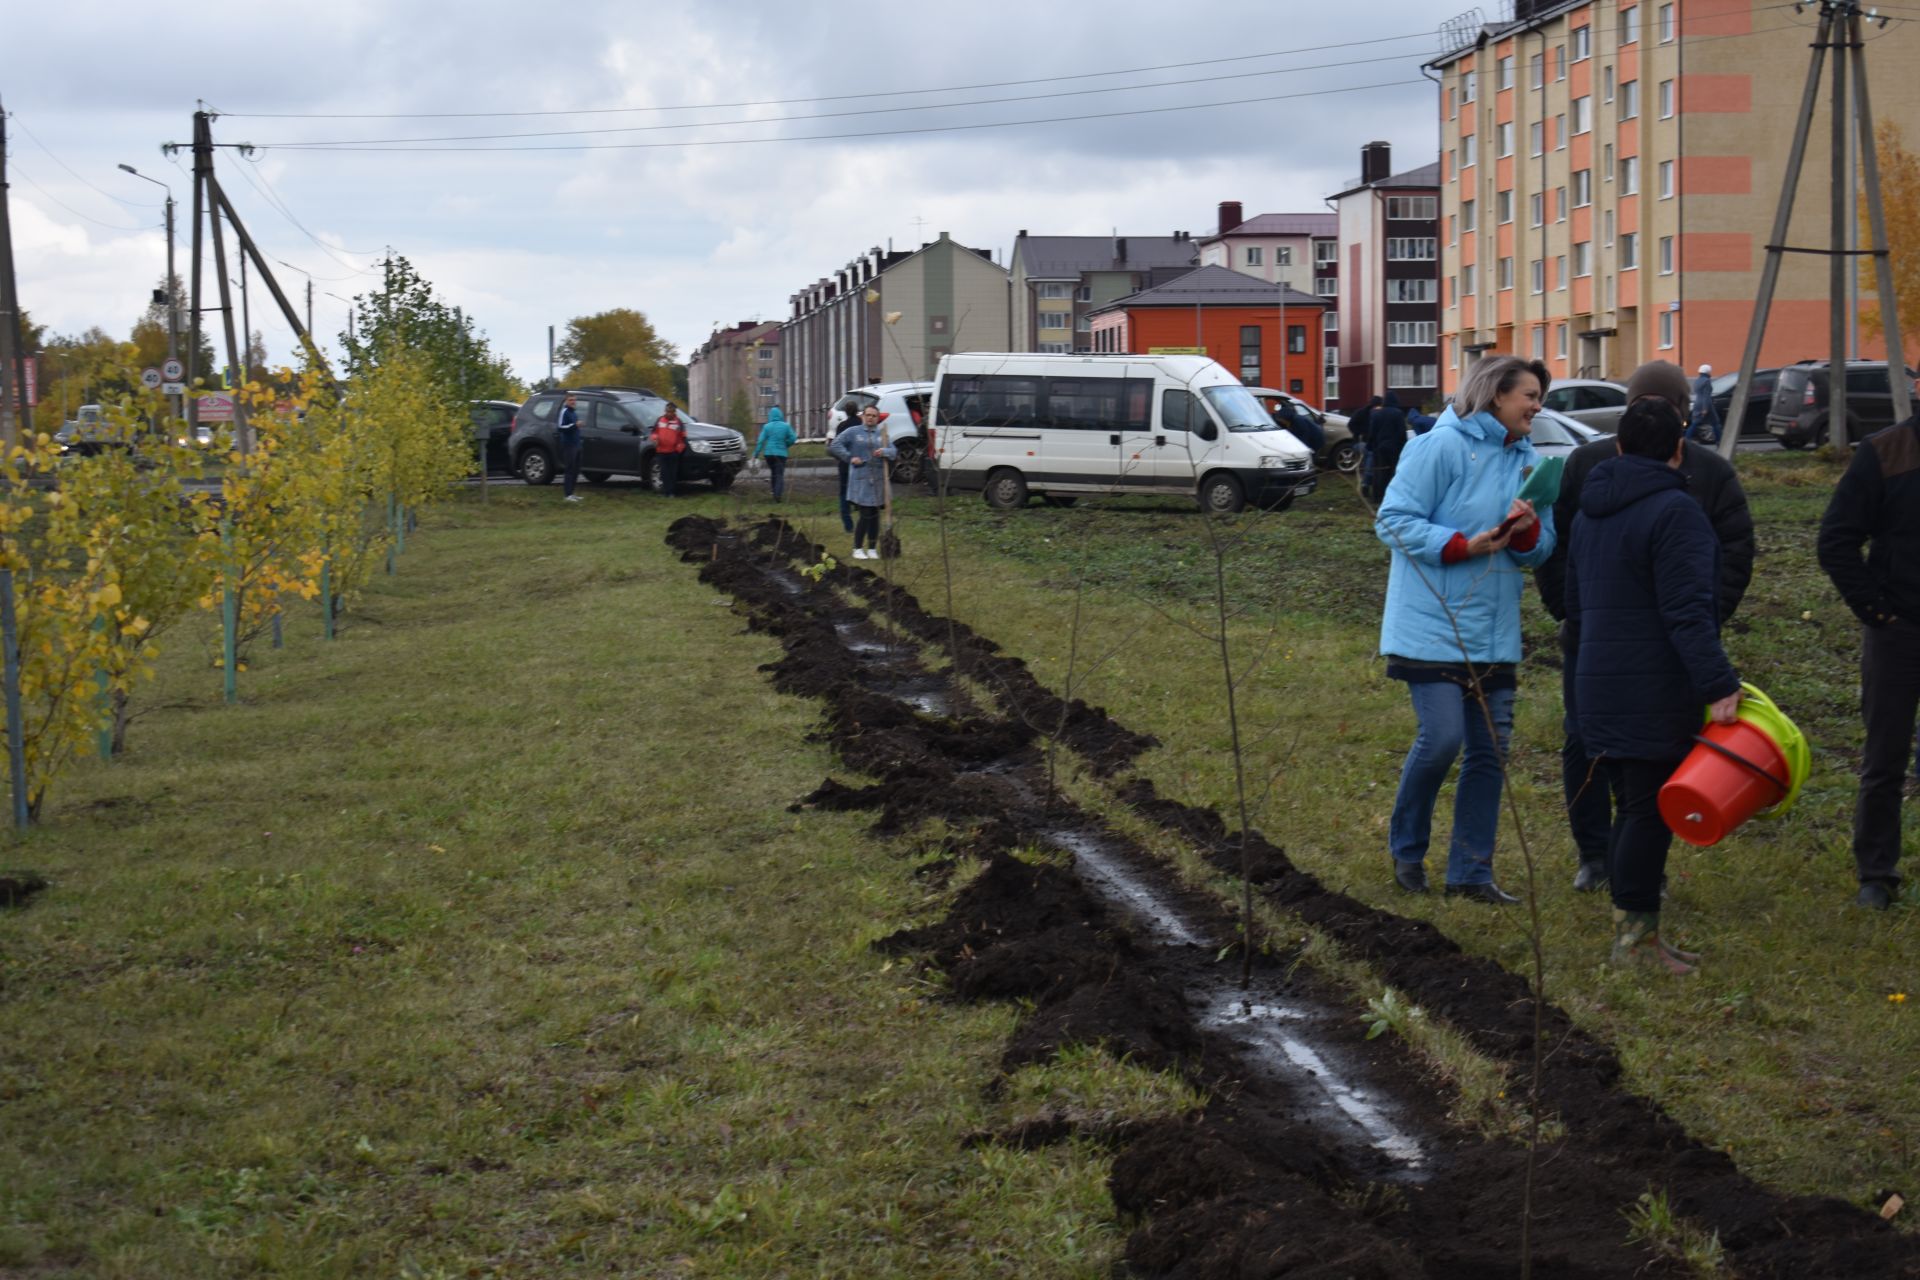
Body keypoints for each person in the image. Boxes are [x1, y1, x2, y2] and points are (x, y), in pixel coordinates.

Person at [1534, 360, 1754, 892]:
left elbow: (1735, 552)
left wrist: (1707, 615)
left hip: (1662, 644)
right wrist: (1573, 612)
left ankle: (1634, 869)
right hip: (1599, 639)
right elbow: (1556, 546)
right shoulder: (1586, 464)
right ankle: (1597, 856)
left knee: (1647, 764)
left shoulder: (1711, 474)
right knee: (1588, 745)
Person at [1566, 396, 1743, 974]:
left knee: (1630, 806)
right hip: (1652, 685)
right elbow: (1689, 612)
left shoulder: (1591, 510)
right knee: (1647, 811)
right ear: (1678, 449)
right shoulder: (1677, 512)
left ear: (1618, 446)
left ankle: (1636, 935)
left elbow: (1574, 603)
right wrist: (1718, 684)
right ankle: (1635, 945)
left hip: (1595, 678)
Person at [1375, 356, 1556, 903]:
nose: (1537, 406)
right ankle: (1408, 849)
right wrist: (1460, 545)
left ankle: (1471, 874)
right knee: (1443, 739)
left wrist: (1525, 534)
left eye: (1538, 396)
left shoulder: (1532, 464)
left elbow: (1543, 549)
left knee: (1490, 753)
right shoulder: (1439, 445)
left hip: (1494, 632)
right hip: (1432, 622)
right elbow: (1394, 520)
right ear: (1496, 394)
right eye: (1529, 394)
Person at [1816, 376, 1920, 910]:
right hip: (1898, 633)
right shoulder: (1885, 453)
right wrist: (1877, 612)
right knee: (1885, 759)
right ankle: (1876, 876)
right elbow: (1835, 540)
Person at [828, 405, 896, 560]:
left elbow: (893, 451)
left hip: (878, 479)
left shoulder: (882, 434)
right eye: (868, 415)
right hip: (861, 478)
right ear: (863, 416)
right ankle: (857, 548)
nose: (871, 418)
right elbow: (835, 445)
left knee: (874, 514)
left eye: (874, 415)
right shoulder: (854, 432)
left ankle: (872, 548)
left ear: (878, 418)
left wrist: (884, 452)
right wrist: (850, 457)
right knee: (865, 514)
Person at [1367, 393, 1409, 504]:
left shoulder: (1377, 414)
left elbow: (1372, 432)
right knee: (1395, 473)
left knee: (1379, 473)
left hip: (1380, 449)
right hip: (1394, 449)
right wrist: (1404, 447)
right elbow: (1402, 433)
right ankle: (1393, 497)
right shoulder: (1398, 414)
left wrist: (1370, 446)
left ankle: (1377, 498)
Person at [752, 406, 797, 501]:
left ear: (770, 416)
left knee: (773, 473)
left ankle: (774, 491)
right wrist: (786, 444)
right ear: (780, 415)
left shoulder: (767, 427)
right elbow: (793, 438)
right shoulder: (786, 426)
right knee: (779, 474)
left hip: (769, 454)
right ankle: (777, 495)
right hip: (781, 454)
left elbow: (760, 441)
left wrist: (755, 454)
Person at [651, 403, 688, 497]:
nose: (669, 413)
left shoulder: (678, 422)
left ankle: (671, 492)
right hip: (661, 452)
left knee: (672, 473)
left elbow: (683, 437)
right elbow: (654, 432)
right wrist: (655, 439)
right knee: (664, 473)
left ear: (674, 412)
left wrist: (678, 449)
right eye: (667, 411)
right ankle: (665, 492)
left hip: (673, 452)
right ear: (665, 411)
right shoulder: (659, 420)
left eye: (671, 411)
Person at [556, 393, 584, 503]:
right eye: (571, 400)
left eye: (574, 400)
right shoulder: (564, 412)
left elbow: (575, 428)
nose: (573, 402)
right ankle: (567, 495)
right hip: (568, 445)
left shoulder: (574, 413)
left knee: (576, 470)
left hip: (577, 444)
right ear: (566, 401)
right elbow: (560, 427)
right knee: (569, 469)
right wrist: (575, 425)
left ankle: (572, 493)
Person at [1691, 364, 1723, 444]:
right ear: (1708, 372)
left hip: (1697, 403)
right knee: (1716, 423)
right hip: (1706, 404)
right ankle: (1719, 441)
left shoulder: (1697, 381)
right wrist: (1705, 408)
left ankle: (1685, 439)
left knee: (1695, 423)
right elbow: (1706, 396)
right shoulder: (1707, 381)